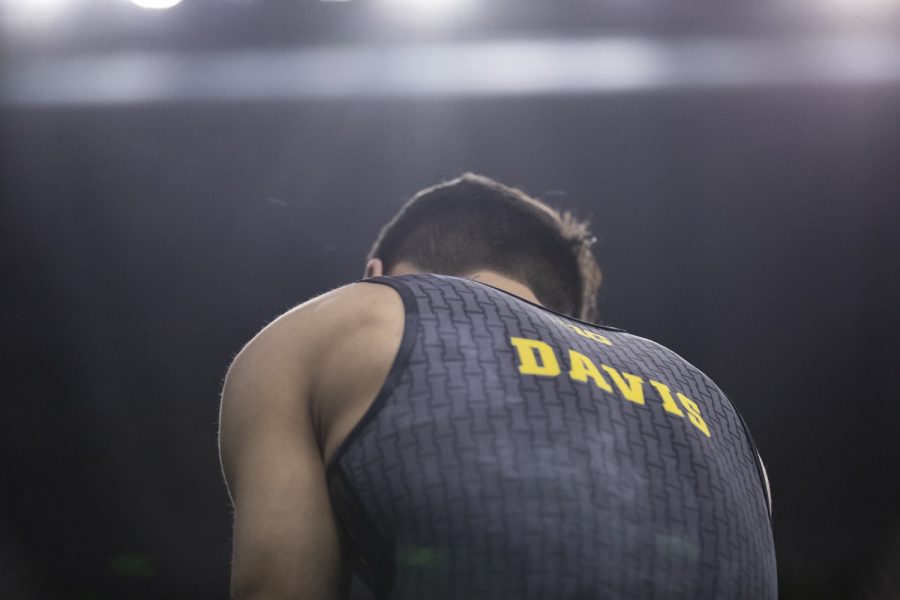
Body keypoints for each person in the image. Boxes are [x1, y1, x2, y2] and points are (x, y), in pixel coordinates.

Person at [218, 173, 777, 599]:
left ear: (376, 275)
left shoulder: (340, 320)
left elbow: (275, 585)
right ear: (569, 319)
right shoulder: (713, 404)